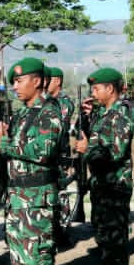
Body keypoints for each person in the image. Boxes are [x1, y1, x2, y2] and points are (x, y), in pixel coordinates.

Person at [0, 57, 63, 265]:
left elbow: (42, 150)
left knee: (39, 261)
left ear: (37, 81)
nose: (15, 87)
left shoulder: (49, 112)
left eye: (20, 81)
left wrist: (4, 144)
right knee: (22, 261)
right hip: (18, 198)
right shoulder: (23, 114)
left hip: (37, 200)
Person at [73, 67, 134, 265]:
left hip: (114, 186)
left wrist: (87, 148)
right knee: (104, 237)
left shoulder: (120, 114)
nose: (94, 92)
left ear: (110, 89)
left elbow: (114, 151)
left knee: (114, 239)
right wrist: (87, 118)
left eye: (97, 88)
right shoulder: (104, 114)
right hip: (101, 184)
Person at [47, 67, 78, 249]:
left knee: (62, 192)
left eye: (48, 79)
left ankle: (64, 231)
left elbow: (57, 120)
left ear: (57, 81)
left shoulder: (64, 102)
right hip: (51, 155)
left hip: (61, 155)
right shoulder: (49, 102)